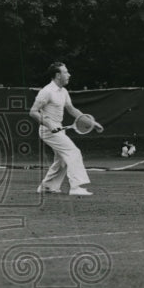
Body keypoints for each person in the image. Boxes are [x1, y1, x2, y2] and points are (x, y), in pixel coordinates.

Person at [29, 62, 95, 196]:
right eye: (66, 72)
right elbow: (33, 112)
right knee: (73, 152)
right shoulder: (46, 91)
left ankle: (47, 186)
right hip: (48, 131)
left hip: (59, 130)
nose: (69, 74)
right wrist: (49, 124)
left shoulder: (63, 91)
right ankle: (76, 187)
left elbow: (71, 109)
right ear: (58, 75)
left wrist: (91, 122)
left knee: (62, 160)